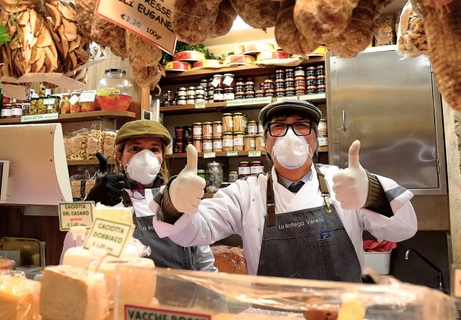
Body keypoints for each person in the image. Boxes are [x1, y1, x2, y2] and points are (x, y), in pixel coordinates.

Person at [152, 99, 417, 282]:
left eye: (301, 125)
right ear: (266, 142)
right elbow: (190, 233)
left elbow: (403, 229)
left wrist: (371, 192)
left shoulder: (345, 183)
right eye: (279, 126)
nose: (291, 135)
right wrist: (174, 202)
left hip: (343, 314)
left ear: (314, 138)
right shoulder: (245, 193)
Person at [74, 119, 216, 271]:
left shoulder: (177, 197)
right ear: (119, 156)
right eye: (135, 148)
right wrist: (93, 201)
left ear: (162, 158)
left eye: (154, 150)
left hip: (183, 291)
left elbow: (203, 257)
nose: (145, 157)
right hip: (132, 290)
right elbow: (81, 251)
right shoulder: (110, 198)